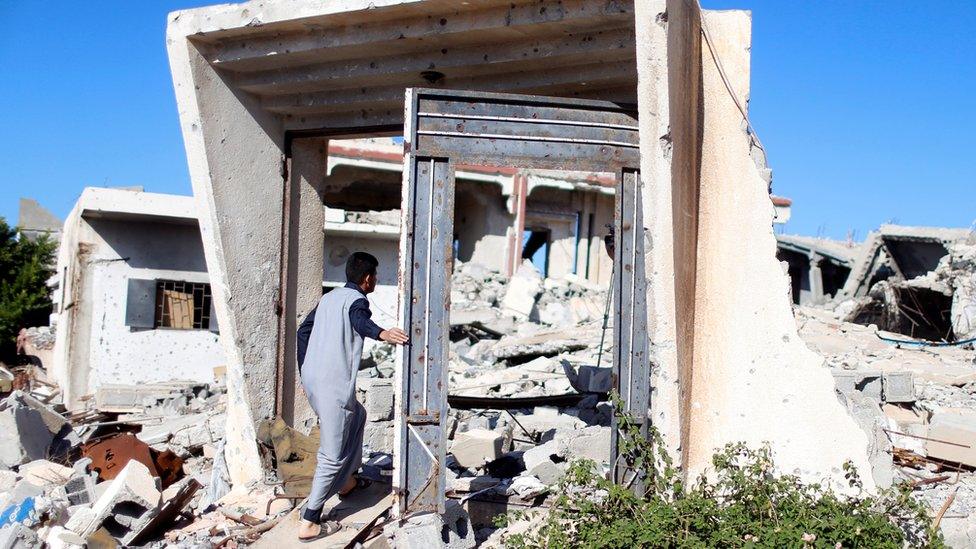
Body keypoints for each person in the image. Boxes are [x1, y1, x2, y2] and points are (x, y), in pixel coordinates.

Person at [296, 252, 408, 542]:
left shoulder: (329, 299)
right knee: (331, 455)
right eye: (376, 276)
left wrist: (305, 367)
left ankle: (346, 482)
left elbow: (302, 331)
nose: (376, 281)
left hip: (313, 379)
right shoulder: (357, 301)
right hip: (332, 386)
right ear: (367, 278)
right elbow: (360, 321)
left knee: (358, 414)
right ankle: (310, 519)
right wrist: (382, 333)